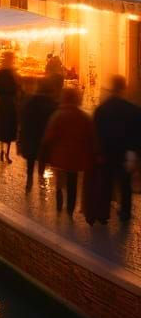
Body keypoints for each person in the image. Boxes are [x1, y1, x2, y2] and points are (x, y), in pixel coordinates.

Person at [39, 86, 100, 219]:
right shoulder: (84, 117)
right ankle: (70, 210)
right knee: (72, 184)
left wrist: (44, 158)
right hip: (76, 159)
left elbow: (48, 138)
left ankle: (59, 205)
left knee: (60, 183)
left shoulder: (58, 115)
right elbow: (91, 138)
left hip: (59, 158)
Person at [92, 75, 140, 224]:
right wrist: (135, 153)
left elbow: (96, 133)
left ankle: (103, 213)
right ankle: (125, 212)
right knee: (125, 184)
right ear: (124, 88)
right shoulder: (133, 109)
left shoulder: (101, 109)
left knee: (106, 183)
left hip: (106, 152)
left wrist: (97, 152)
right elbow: (137, 133)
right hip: (125, 153)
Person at [18, 76, 59, 192]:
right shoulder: (53, 104)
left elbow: (23, 118)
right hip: (45, 138)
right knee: (43, 159)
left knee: (30, 160)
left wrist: (22, 135)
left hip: (32, 136)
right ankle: (41, 178)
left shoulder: (30, 101)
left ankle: (29, 179)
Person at [0, 52, 20, 162]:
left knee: (2, 129)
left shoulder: (0, 72)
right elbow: (16, 87)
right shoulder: (13, 73)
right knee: (9, 130)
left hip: (2, 103)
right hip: (10, 104)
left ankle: (2, 152)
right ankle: (6, 154)